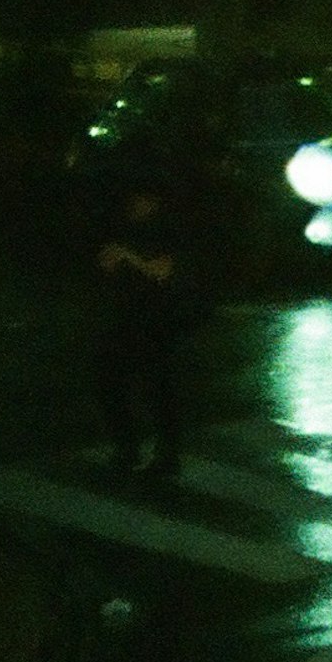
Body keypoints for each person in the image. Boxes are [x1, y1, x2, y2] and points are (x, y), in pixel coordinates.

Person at [91, 188, 189, 478]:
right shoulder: (124, 227)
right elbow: (108, 265)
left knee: (157, 389)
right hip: (124, 318)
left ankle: (166, 454)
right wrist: (111, 259)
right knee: (110, 383)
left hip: (156, 321)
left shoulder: (166, 231)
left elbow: (160, 270)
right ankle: (126, 447)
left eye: (141, 199)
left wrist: (127, 256)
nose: (135, 204)